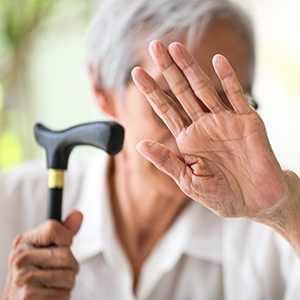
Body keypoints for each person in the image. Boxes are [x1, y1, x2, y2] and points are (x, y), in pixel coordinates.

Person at [1, 0, 300, 299]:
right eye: (169, 98)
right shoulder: (10, 206)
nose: (198, 137)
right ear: (102, 89)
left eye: (223, 103)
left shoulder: (272, 229)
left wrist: (285, 209)